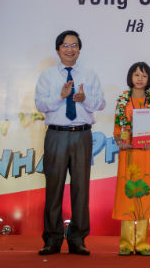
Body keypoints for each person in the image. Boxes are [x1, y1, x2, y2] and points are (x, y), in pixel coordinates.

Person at [35, 30, 106, 256]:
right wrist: (60, 96)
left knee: (81, 189)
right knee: (53, 188)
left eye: (74, 45)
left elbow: (101, 103)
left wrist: (85, 99)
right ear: (58, 50)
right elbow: (40, 104)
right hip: (56, 135)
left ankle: (78, 239)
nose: (70, 49)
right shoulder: (47, 76)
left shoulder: (89, 75)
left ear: (79, 50)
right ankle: (52, 239)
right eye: (65, 45)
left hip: (82, 135)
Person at [112, 62, 150, 256]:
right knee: (127, 195)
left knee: (144, 195)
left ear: (149, 79)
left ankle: (142, 243)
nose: (140, 79)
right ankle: (125, 243)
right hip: (128, 154)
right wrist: (120, 141)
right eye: (136, 75)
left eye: (144, 76)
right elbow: (117, 129)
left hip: (146, 155)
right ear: (130, 77)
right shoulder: (123, 101)